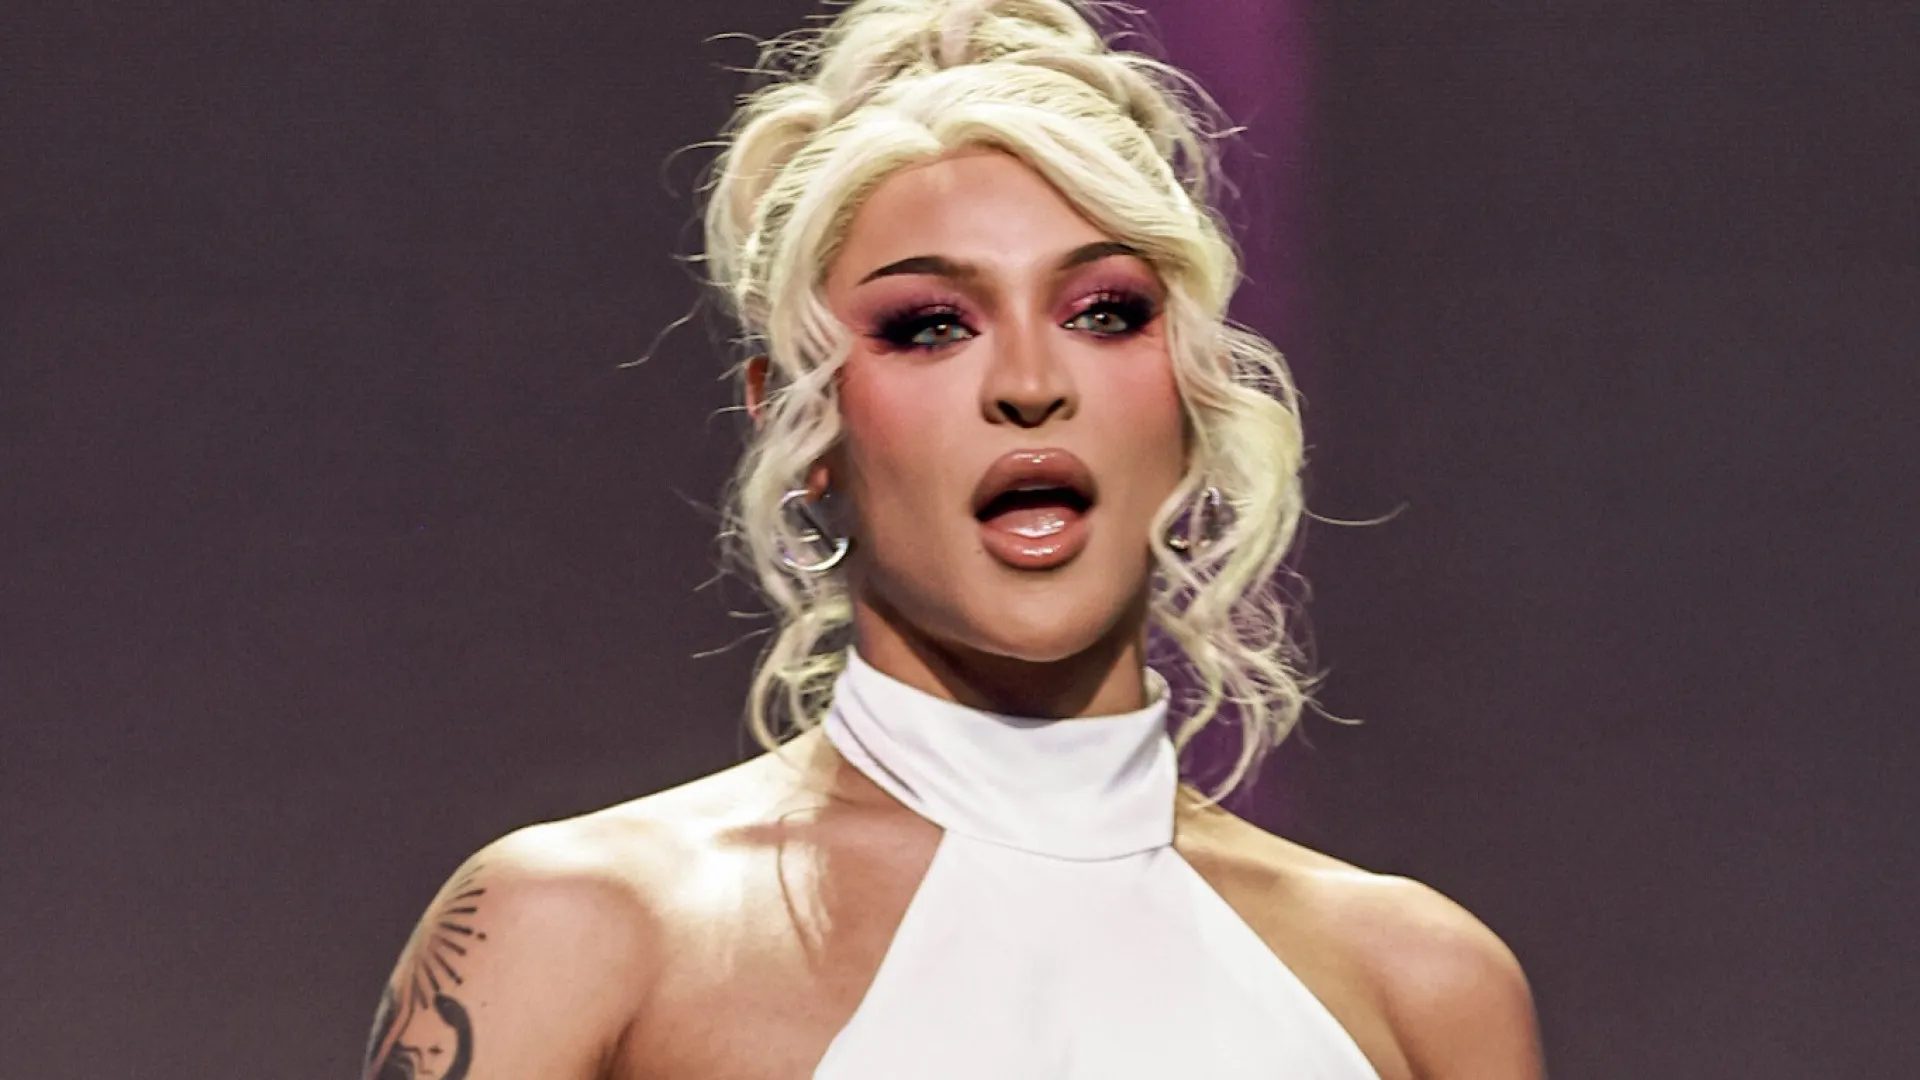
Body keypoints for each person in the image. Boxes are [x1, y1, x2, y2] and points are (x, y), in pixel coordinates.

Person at [360, 1, 1546, 1077]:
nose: (1030, 384)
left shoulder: (1424, 989)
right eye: (931, 326)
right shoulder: (582, 934)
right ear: (797, 419)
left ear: (1190, 391)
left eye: (1104, 313)